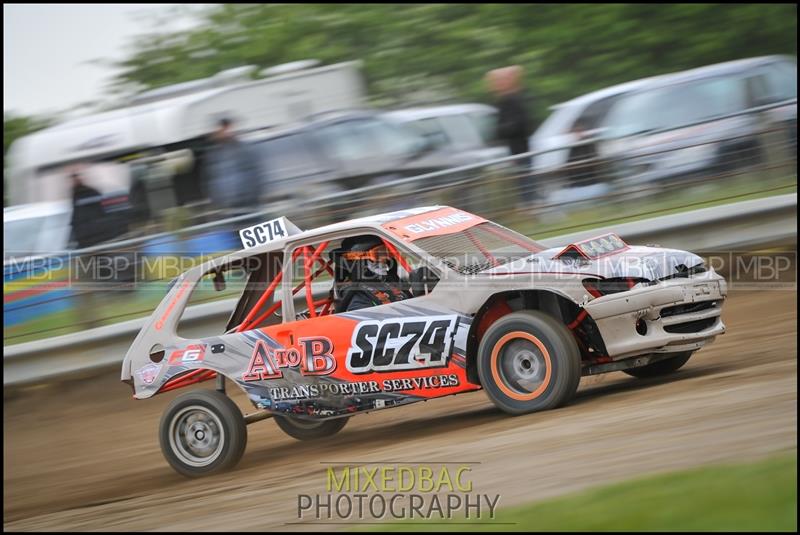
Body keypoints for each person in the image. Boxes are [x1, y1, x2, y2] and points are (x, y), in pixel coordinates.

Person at [486, 66, 536, 205]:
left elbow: (520, 124)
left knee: (525, 179)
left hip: (520, 149)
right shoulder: (508, 100)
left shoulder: (512, 100)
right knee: (523, 179)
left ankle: (530, 205)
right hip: (516, 149)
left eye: (497, 81)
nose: (494, 84)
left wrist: (500, 130)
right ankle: (528, 204)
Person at [333, 235, 412, 312]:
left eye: (387, 252)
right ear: (358, 261)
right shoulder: (353, 292)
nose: (386, 258)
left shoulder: (391, 280)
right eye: (379, 254)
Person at [205, 116, 264, 213]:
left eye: (225, 128)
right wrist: (218, 201)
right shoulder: (215, 154)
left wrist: (254, 195)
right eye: (221, 129)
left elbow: (256, 173)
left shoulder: (244, 149)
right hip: (229, 207)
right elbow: (212, 180)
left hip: (249, 203)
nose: (223, 132)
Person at [69, 170, 106, 249]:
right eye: (73, 179)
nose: (74, 181)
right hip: (86, 234)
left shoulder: (88, 191)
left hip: (93, 232)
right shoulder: (74, 194)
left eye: (76, 178)